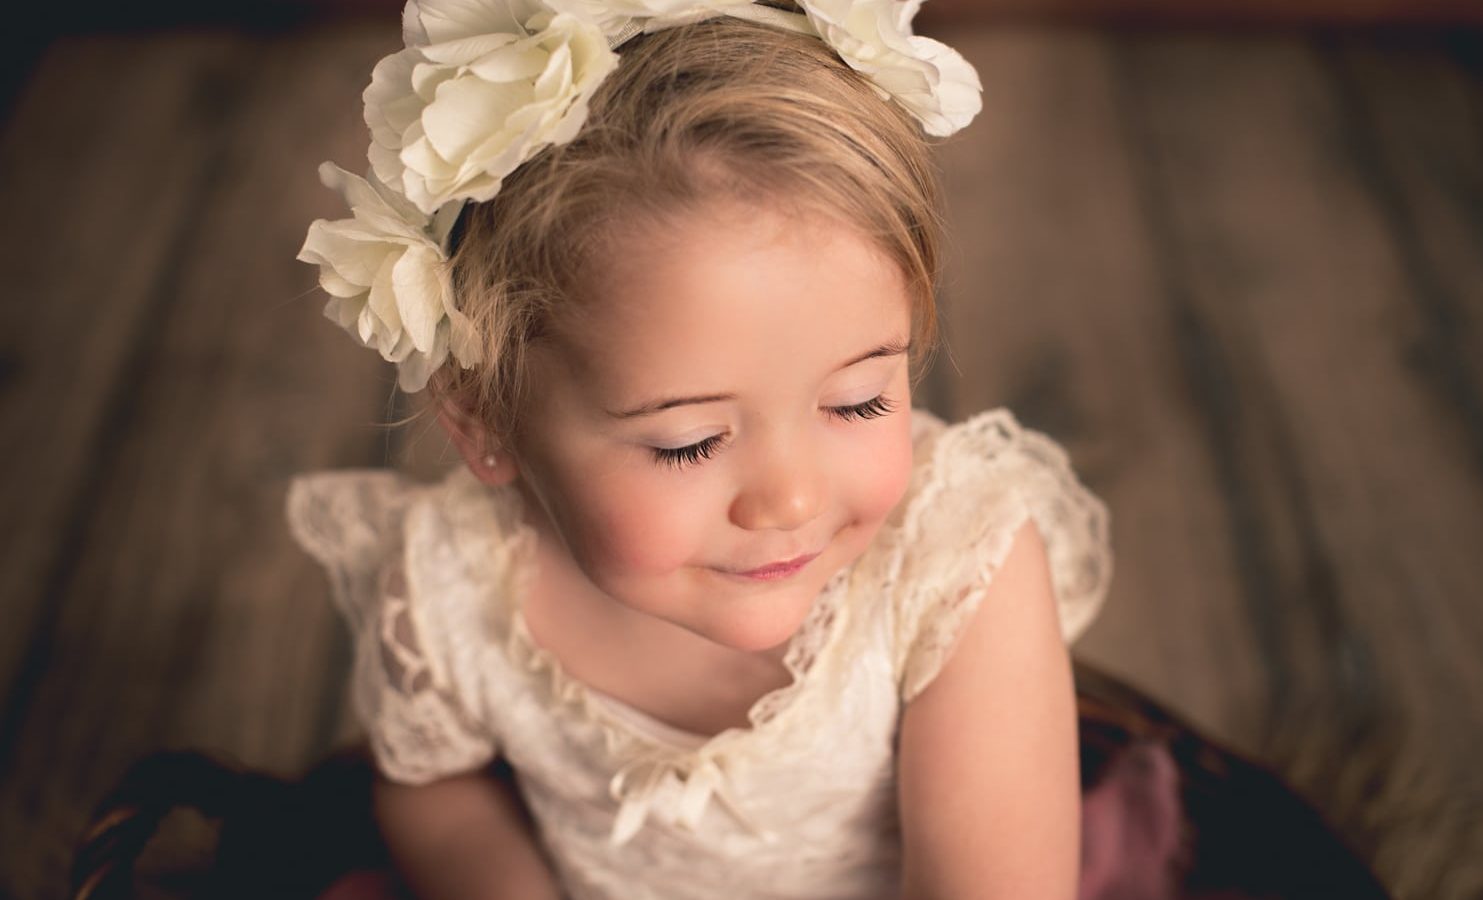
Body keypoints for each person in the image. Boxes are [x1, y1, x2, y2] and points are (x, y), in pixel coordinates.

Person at [287, 1, 1111, 897]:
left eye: (859, 400)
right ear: (485, 421)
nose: (791, 498)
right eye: (689, 443)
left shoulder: (953, 567)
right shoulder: (452, 584)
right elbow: (431, 787)